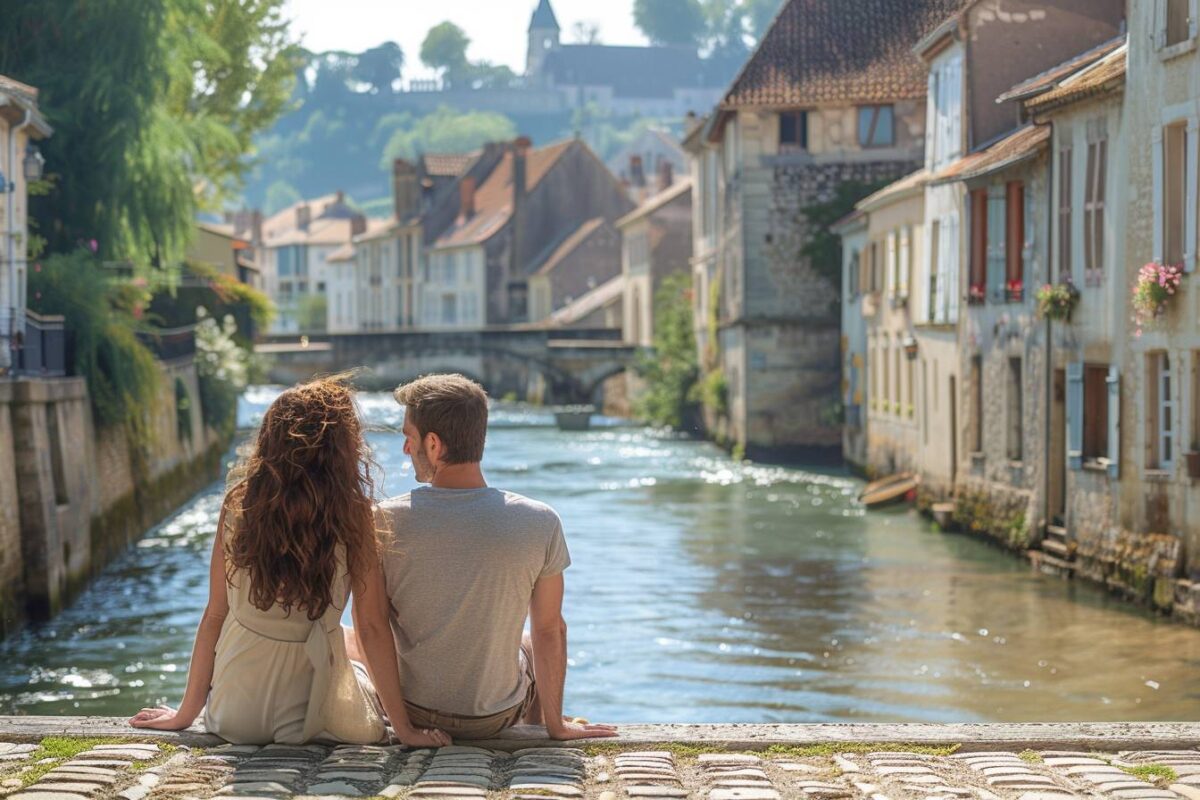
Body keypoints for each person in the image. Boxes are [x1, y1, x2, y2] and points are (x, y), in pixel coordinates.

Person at [128, 376, 449, 748]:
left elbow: (214, 616)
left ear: (270, 441)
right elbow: (373, 627)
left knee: (336, 639)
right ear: (343, 448)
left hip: (236, 714)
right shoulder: (355, 513)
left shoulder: (238, 502)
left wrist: (185, 714)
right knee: (352, 647)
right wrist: (406, 730)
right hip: (311, 714)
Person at [347, 373, 617, 742]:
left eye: (408, 438)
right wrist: (559, 726)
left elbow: (371, 627)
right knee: (527, 640)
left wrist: (408, 730)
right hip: (494, 718)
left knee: (348, 637)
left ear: (433, 443)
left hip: (414, 712)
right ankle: (541, 729)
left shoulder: (380, 522)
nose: (405, 450)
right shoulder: (540, 521)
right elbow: (551, 630)